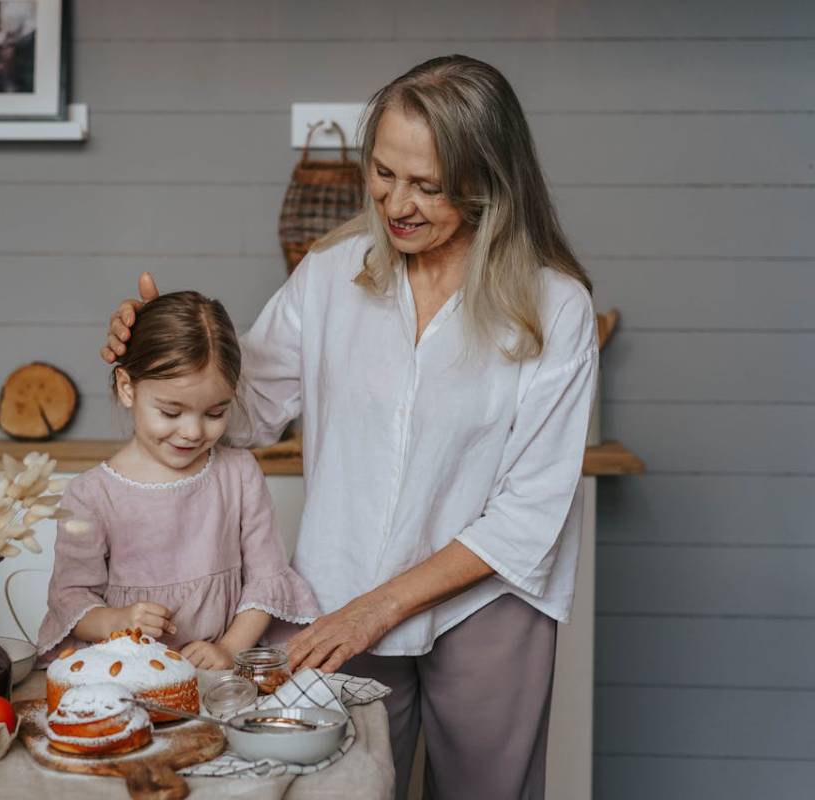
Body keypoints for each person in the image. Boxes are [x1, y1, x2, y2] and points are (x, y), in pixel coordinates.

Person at [103, 55, 597, 799]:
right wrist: (164, 364)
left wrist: (381, 607)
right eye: (383, 173)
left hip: (488, 608)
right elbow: (247, 414)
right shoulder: (332, 274)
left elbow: (529, 513)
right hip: (334, 593)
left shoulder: (556, 308)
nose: (397, 204)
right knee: (327, 787)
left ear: (488, 183)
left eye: (428, 186)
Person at [38, 290, 320, 670]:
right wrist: (119, 622)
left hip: (219, 675)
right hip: (127, 675)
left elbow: (266, 581)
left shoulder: (239, 474)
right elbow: (71, 601)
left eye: (214, 412)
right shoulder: (91, 494)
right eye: (171, 412)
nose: (191, 432)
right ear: (127, 388)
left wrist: (229, 648)